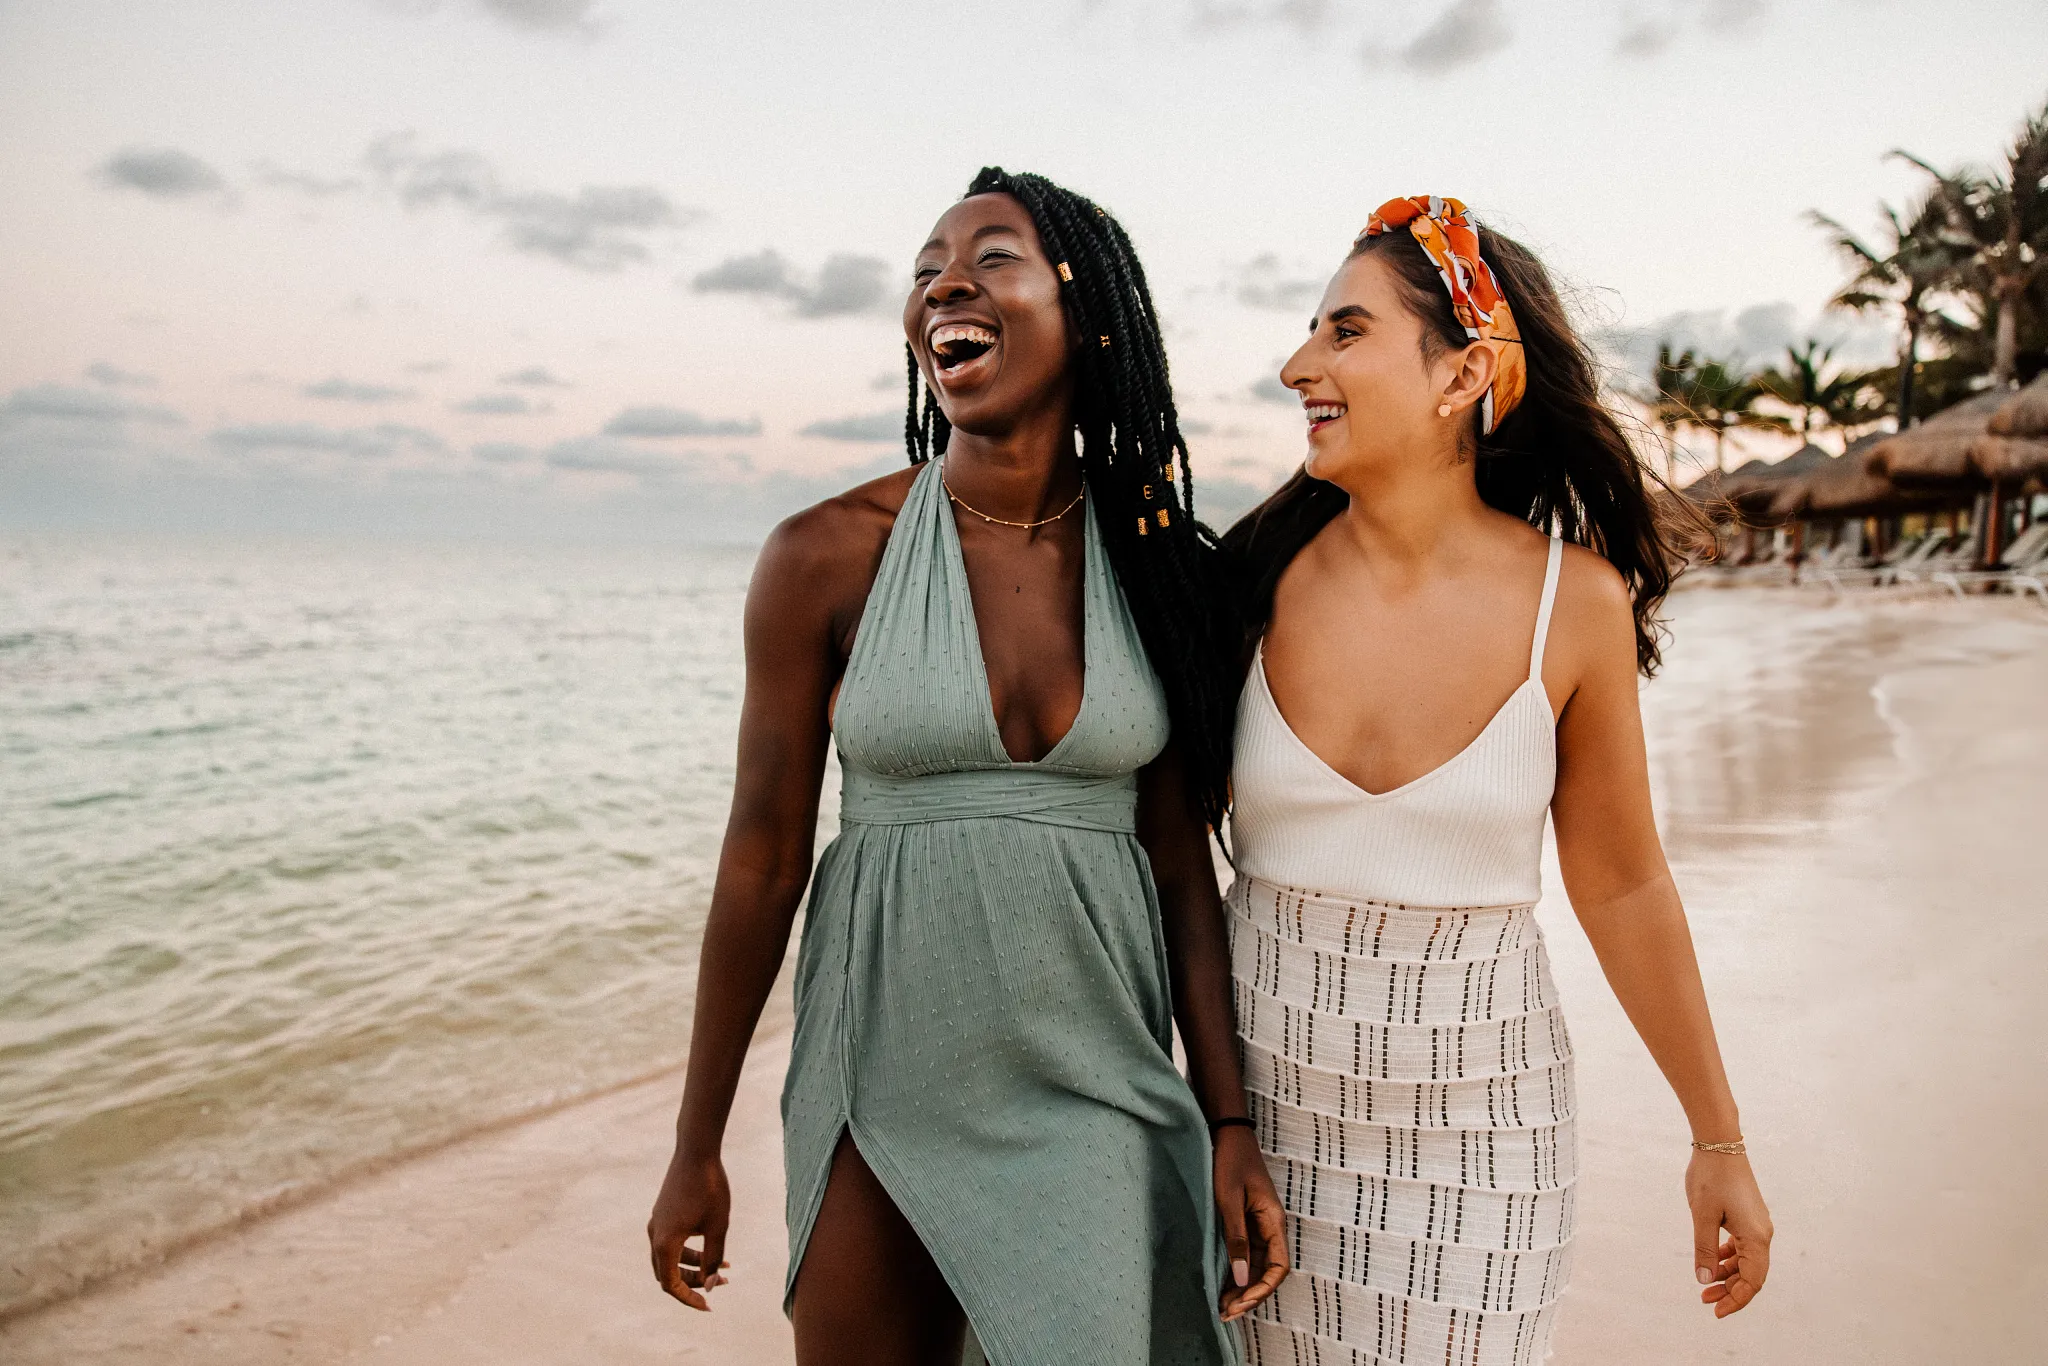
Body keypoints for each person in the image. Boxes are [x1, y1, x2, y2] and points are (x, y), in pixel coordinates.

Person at [646, 167, 1287, 1366]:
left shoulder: (1154, 570)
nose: (946, 280)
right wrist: (695, 1142)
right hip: (876, 1080)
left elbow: (1177, 867)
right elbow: (761, 856)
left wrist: (1227, 1115)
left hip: (1092, 1077)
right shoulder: (825, 557)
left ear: (1085, 307)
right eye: (929, 266)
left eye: (993, 256)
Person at [1221, 196, 1773, 1363]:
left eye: (1344, 332)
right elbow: (1148, 847)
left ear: (1459, 371)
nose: (1296, 365)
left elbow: (1622, 885)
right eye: (1310, 332)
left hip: (1478, 1144)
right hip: (1254, 1144)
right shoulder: (1248, 581)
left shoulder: (1571, 605)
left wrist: (1714, 1138)